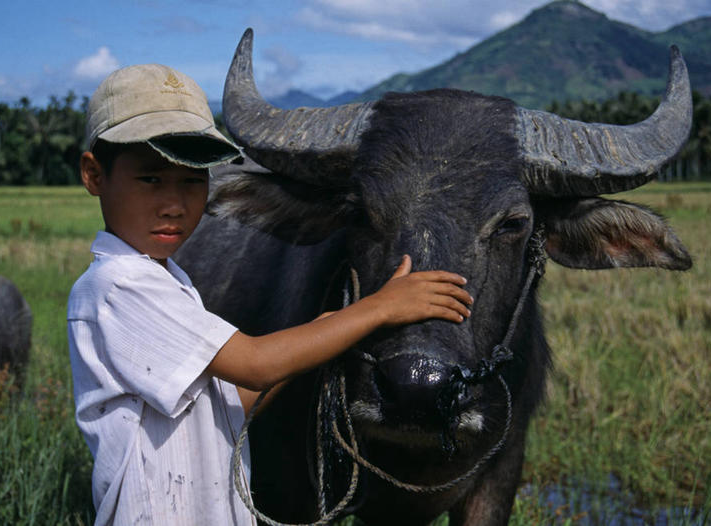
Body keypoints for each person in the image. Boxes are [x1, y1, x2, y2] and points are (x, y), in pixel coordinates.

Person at [68, 63, 473, 526]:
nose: (174, 204)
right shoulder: (119, 286)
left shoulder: (166, 279)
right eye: (150, 179)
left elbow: (228, 400)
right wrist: (377, 309)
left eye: (192, 180)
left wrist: (324, 330)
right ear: (94, 175)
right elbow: (255, 365)